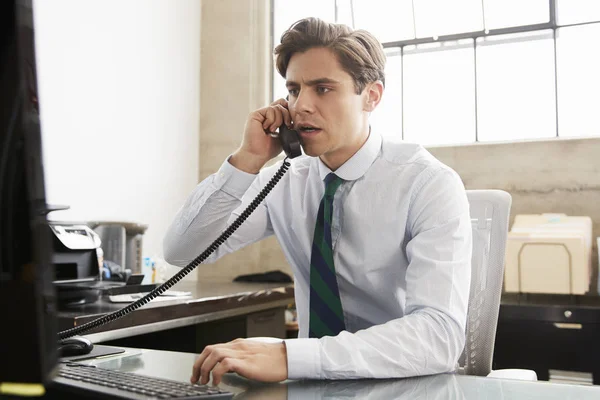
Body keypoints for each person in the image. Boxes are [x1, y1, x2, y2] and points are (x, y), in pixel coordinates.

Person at [163, 17, 472, 386]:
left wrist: (290, 356)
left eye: (322, 88)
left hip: (407, 385)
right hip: (315, 386)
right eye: (293, 90)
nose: (301, 106)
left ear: (371, 96)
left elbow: (438, 336)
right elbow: (181, 250)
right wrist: (246, 160)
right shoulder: (284, 178)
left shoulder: (428, 183)